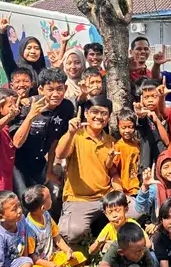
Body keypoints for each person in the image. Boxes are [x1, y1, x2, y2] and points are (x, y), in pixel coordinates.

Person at [57, 96, 140, 243]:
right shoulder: (76, 135)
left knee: (137, 210)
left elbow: (113, 172)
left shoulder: (110, 142)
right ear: (86, 113)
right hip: (79, 199)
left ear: (108, 117)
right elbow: (60, 154)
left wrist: (119, 195)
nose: (99, 117)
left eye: (104, 113)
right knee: (71, 233)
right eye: (95, 112)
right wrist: (70, 132)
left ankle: (109, 238)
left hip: (105, 197)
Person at [14, 68, 74, 220]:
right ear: (41, 89)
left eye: (60, 89)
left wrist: (49, 171)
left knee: (51, 194)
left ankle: (50, 232)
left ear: (65, 89)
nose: (55, 94)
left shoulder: (66, 107)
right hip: (18, 164)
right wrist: (31, 115)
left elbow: (54, 141)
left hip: (40, 162)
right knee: (26, 202)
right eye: (50, 89)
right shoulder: (28, 105)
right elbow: (17, 143)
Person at [24, 185, 87, 267]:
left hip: (53, 257)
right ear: (43, 207)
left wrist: (67, 250)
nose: (52, 198)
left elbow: (56, 236)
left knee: (79, 257)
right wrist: (47, 264)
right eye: (49, 197)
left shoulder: (46, 215)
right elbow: (31, 256)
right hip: (38, 265)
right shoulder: (29, 229)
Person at [90, 191, 151, 256]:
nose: (114, 215)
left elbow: (148, 244)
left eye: (117, 210)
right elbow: (91, 251)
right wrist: (98, 243)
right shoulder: (109, 227)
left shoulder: (132, 225)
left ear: (126, 209)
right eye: (110, 212)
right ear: (106, 214)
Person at [135, 78, 167, 171]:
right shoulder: (144, 117)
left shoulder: (166, 116)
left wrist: (157, 120)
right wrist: (140, 115)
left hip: (163, 164)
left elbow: (167, 142)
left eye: (154, 96)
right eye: (146, 97)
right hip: (147, 166)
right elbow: (141, 121)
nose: (150, 100)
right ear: (141, 99)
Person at [115, 109, 142, 197]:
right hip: (125, 190)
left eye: (130, 127)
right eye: (123, 127)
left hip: (138, 187)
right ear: (118, 127)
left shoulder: (137, 144)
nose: (127, 131)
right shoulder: (118, 146)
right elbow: (114, 170)